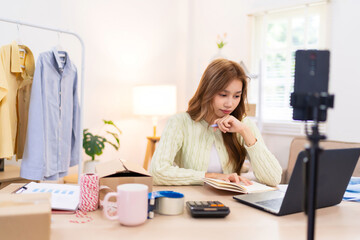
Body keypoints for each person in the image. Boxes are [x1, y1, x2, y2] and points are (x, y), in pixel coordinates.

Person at [149, 58, 282, 187]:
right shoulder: (180, 122)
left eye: (236, 96)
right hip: (195, 201)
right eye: (223, 95)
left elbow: (273, 178)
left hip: (232, 203)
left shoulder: (243, 124)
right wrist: (210, 176)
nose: (230, 104)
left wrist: (245, 131)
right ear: (207, 91)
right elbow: (157, 171)